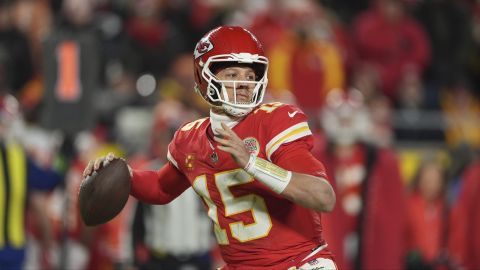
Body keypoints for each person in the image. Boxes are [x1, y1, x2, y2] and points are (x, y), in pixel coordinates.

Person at [84, 26, 337, 270]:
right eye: (232, 75)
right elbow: (161, 188)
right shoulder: (190, 138)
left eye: (250, 75)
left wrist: (252, 163)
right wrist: (122, 175)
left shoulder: (275, 120)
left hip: (300, 262)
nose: (245, 84)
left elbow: (322, 196)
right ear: (204, 77)